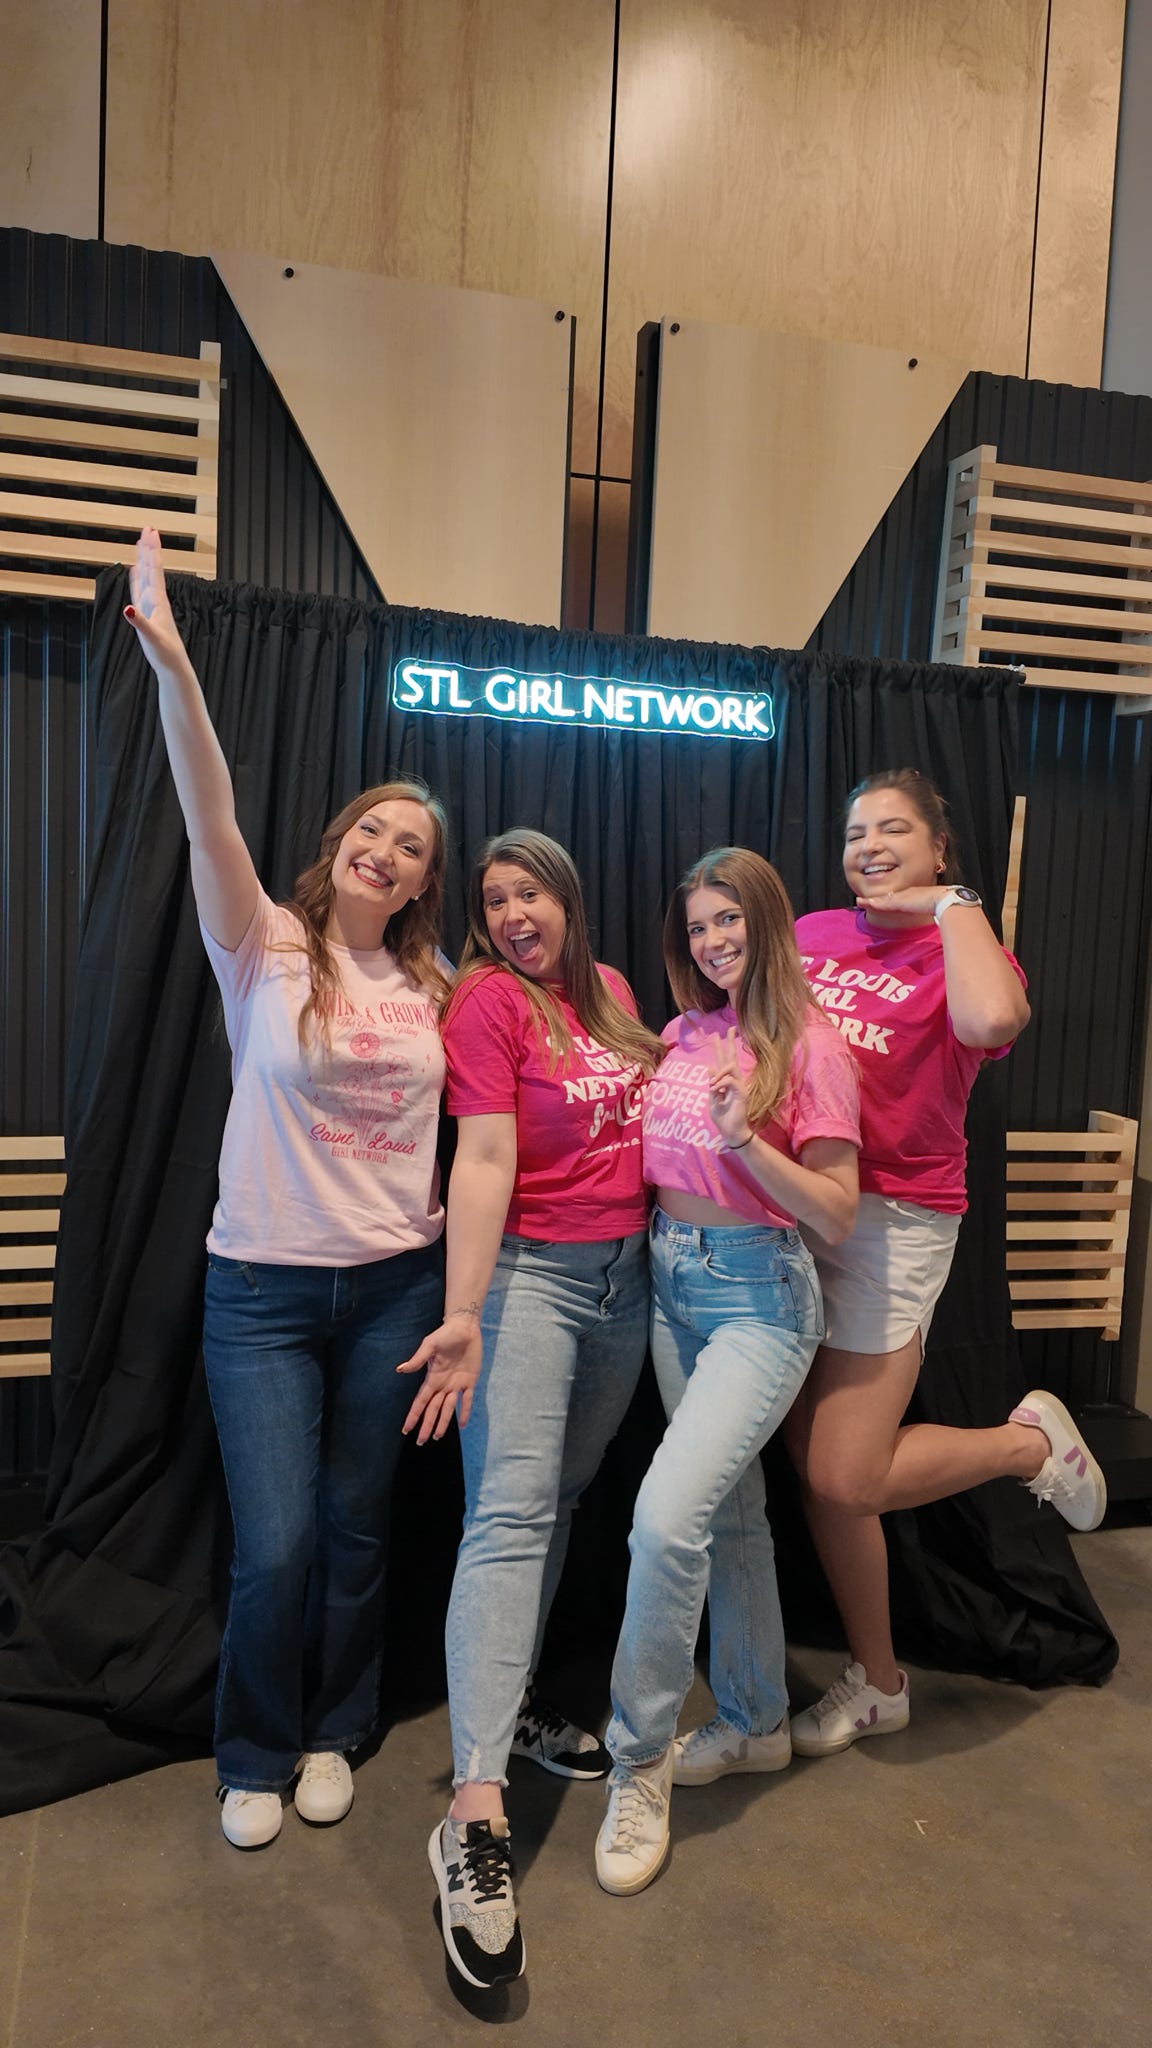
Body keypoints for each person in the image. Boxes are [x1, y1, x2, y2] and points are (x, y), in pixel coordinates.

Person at [125, 528, 451, 1848]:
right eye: (375, 827)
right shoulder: (262, 943)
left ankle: (335, 1729)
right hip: (259, 1291)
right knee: (275, 1547)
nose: (389, 848)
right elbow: (205, 805)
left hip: (394, 1290)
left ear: (429, 881)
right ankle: (253, 1746)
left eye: (415, 844)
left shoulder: (436, 989)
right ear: (340, 842)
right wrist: (174, 669)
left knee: (360, 1532)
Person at [780, 767, 1105, 1756]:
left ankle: (1028, 1449)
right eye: (854, 830)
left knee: (844, 1473)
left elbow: (991, 1024)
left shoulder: (964, 943)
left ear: (936, 848)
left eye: (893, 829)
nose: (869, 845)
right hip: (794, 1202)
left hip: (894, 1218)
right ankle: (879, 1680)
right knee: (809, 1460)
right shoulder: (812, 934)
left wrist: (955, 905)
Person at [398, 829, 664, 1988]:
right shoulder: (488, 1003)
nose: (512, 912)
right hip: (530, 1280)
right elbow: (487, 1156)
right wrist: (465, 1308)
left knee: (557, 1497)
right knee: (508, 1513)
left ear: (568, 894)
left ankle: (503, 1712)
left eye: (530, 891)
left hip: (628, 1276)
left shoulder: (607, 991)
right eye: (494, 897)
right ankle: (473, 1816)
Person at [592, 848, 861, 1898]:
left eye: (727, 922)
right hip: (670, 1278)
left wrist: (747, 1140)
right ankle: (754, 1719)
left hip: (761, 1294)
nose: (711, 942)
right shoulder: (680, 1032)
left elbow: (834, 1208)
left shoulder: (811, 1046)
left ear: (766, 921)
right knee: (734, 1510)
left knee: (665, 1518)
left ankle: (638, 1758)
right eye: (697, 926)